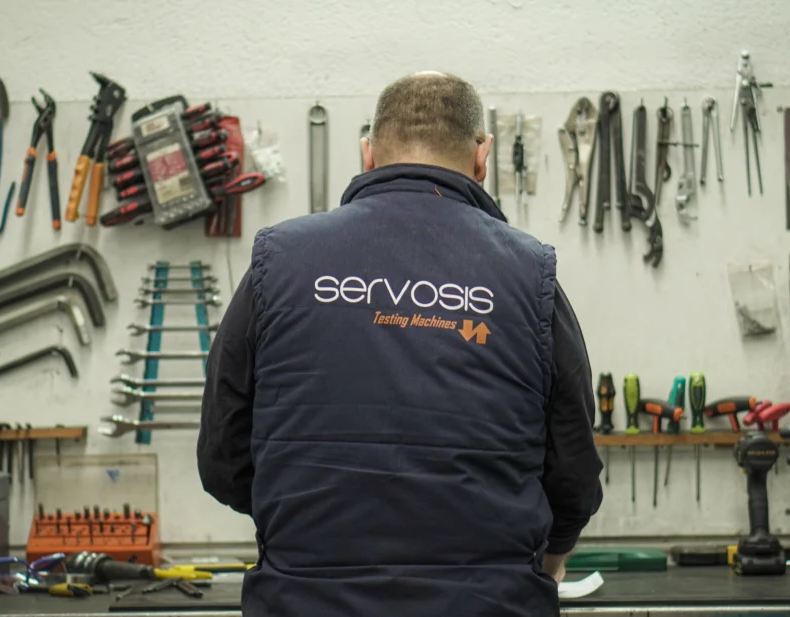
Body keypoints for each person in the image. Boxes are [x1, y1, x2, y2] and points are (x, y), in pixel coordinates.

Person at [198, 71, 603, 617]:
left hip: (305, 601)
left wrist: (309, 528)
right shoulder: (530, 274)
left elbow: (222, 456)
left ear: (367, 154)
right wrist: (548, 564)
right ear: (482, 157)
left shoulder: (279, 261)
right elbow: (573, 471)